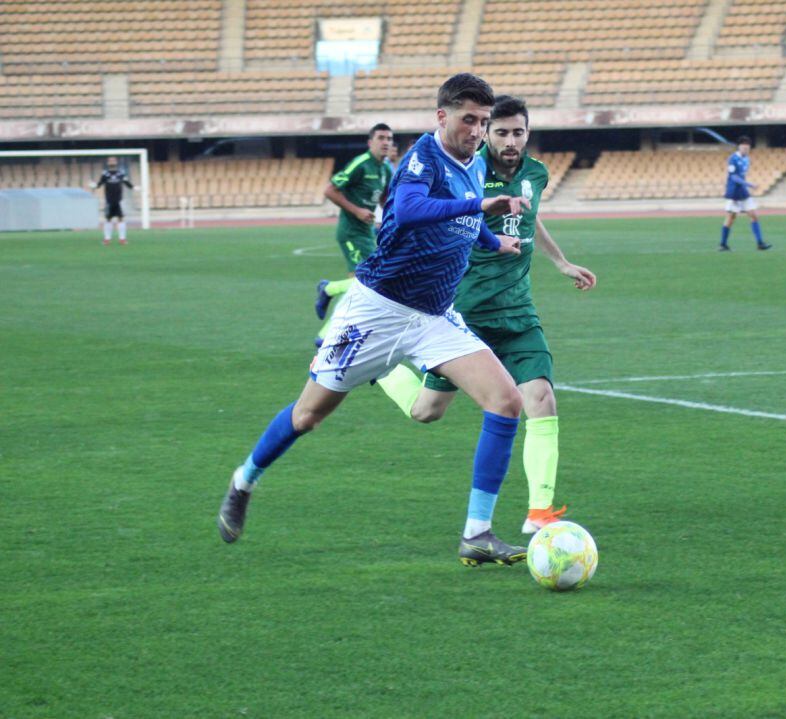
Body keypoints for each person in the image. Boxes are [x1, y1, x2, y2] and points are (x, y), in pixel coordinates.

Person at [217, 73, 532, 567]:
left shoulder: (474, 163)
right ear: (442, 116)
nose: (477, 131)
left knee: (506, 401)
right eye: (468, 119)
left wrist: (495, 241)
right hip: (377, 310)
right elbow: (409, 209)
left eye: (483, 121)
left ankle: (477, 534)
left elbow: (466, 223)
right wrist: (479, 204)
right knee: (308, 416)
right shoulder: (423, 158)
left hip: (435, 316)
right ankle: (244, 480)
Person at [375, 95, 597, 534]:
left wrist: (560, 261)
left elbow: (531, 218)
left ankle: (538, 514)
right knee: (427, 411)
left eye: (518, 132)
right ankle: (379, 366)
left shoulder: (536, 173)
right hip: (465, 314)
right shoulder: (466, 171)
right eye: (501, 132)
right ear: (486, 133)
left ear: (528, 133)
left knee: (541, 398)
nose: (510, 141)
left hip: (517, 312)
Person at [313, 123, 395, 346]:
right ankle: (328, 292)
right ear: (370, 142)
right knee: (367, 284)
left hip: (366, 232)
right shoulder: (361, 164)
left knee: (363, 286)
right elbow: (330, 190)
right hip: (351, 232)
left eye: (389, 138)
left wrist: (390, 221)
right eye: (381, 138)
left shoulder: (385, 169)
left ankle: (326, 333)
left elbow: (384, 199)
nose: (386, 142)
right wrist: (357, 210)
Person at [719, 136, 771, 251]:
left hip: (742, 191)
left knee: (754, 215)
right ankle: (723, 244)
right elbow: (733, 177)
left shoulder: (747, 159)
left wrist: (745, 185)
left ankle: (760, 243)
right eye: (743, 148)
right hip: (734, 191)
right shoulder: (732, 159)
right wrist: (749, 184)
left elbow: (742, 175)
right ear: (739, 147)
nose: (746, 150)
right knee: (731, 218)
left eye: (747, 148)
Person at [89, 157, 137, 246]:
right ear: (108, 163)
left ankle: (122, 239)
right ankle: (107, 239)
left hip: (119, 200)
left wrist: (133, 187)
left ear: (116, 162)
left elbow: (126, 182)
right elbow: (100, 184)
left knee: (121, 218)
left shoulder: (121, 173)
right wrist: (94, 185)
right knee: (108, 219)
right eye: (110, 161)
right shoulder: (105, 174)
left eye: (113, 160)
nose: (112, 162)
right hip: (109, 200)